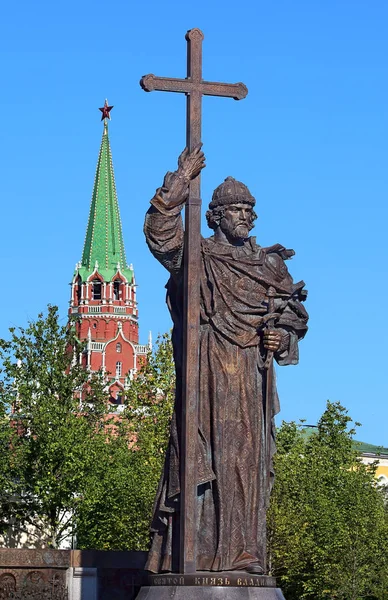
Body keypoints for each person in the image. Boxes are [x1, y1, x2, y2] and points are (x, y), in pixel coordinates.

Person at [144, 146, 308, 574]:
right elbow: (161, 235)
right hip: (209, 373)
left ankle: (243, 555)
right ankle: (196, 557)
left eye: (250, 211)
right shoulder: (199, 256)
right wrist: (180, 180)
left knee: (248, 466)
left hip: (251, 379)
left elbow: (292, 320)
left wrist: (279, 337)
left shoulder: (269, 266)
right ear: (214, 215)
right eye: (236, 209)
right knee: (209, 463)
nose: (245, 218)